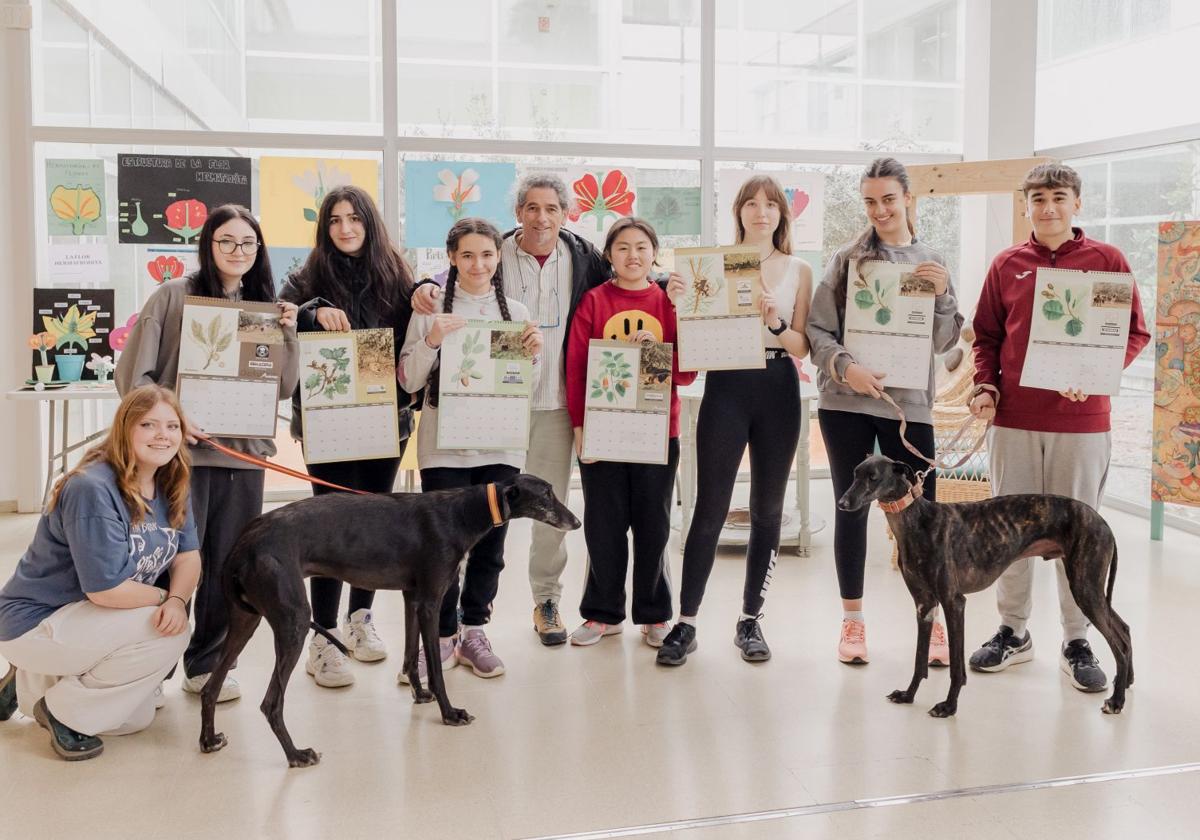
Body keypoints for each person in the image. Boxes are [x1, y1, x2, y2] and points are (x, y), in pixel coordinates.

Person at [968, 161, 1150, 691]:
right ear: (1025, 205)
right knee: (1008, 535)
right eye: (1039, 198)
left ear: (1077, 204)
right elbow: (986, 338)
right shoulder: (1007, 264)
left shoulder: (1107, 261)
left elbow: (1133, 332)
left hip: (1083, 423)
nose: (1048, 207)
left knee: (1080, 536)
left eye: (1059, 197)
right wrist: (986, 385)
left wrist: (1096, 376)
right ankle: (1012, 631)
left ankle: (1077, 638)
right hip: (1015, 420)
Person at [411, 173, 610, 646]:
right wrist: (422, 287)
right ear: (518, 212)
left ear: (566, 214)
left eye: (552, 209)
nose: (543, 217)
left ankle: (544, 600)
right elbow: (450, 288)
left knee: (543, 511)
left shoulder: (585, 258)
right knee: (461, 531)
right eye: (533, 208)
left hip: (557, 400)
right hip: (488, 418)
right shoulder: (489, 251)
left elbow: (627, 280)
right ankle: (442, 634)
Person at [115, 204, 299, 702]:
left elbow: (282, 388)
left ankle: (208, 662)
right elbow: (133, 378)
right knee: (161, 560)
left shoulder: (265, 306)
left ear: (258, 250)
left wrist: (288, 331)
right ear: (207, 245)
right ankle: (146, 668)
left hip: (243, 459)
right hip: (180, 460)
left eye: (248, 243)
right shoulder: (174, 296)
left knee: (227, 565)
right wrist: (174, 418)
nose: (237, 252)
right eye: (226, 241)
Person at [805, 157, 963, 666]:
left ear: (908, 199)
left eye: (888, 199)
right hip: (845, 403)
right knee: (850, 510)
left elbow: (943, 341)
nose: (879, 209)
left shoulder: (931, 262)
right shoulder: (846, 260)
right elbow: (817, 332)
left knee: (922, 519)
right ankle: (852, 622)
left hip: (908, 406)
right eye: (870, 201)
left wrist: (941, 296)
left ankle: (933, 622)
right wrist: (845, 367)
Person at [656, 175, 813, 667]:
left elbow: (803, 346)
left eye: (770, 204)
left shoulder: (799, 269)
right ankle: (687, 621)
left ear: (782, 214)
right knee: (709, 507)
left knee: (768, 509)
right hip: (726, 386)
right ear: (739, 212)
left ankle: (750, 619)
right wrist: (677, 297)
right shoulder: (712, 265)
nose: (761, 212)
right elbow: (693, 334)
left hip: (778, 385)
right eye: (751, 204)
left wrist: (775, 322)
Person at [0, 385, 200, 761]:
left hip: (85, 621)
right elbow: (105, 591)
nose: (163, 435)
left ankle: (27, 684)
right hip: (35, 620)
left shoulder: (171, 481)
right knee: (167, 633)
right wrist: (167, 600)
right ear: (125, 428)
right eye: (149, 425)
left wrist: (177, 598)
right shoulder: (93, 488)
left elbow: (188, 556)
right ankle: (61, 712)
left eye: (173, 426)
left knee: (133, 720)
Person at [280, 185, 416, 688]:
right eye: (335, 220)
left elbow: (417, 337)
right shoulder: (305, 278)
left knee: (376, 519)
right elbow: (280, 320)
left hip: (386, 420)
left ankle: (360, 620)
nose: (345, 229)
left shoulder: (397, 277)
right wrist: (313, 312)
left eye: (354, 218)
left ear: (370, 223)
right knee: (330, 522)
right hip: (327, 423)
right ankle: (322, 638)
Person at [398, 217, 543, 679]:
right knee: (440, 552)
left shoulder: (516, 313)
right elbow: (408, 380)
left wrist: (533, 357)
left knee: (490, 548)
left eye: (486, 255)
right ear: (452, 259)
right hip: (443, 450)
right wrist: (433, 339)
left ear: (498, 258)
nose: (477, 264)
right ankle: (440, 639)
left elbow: (525, 389)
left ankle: (475, 630)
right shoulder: (431, 308)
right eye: (467, 255)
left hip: (500, 448)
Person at [563, 217, 696, 648]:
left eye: (641, 246)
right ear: (609, 255)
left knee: (654, 524)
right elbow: (577, 369)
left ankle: (655, 615)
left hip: (658, 431)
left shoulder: (667, 301)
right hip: (603, 432)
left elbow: (687, 373)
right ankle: (603, 614)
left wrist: (658, 345)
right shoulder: (594, 302)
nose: (633, 255)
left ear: (654, 252)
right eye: (623, 247)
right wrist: (581, 428)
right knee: (604, 524)